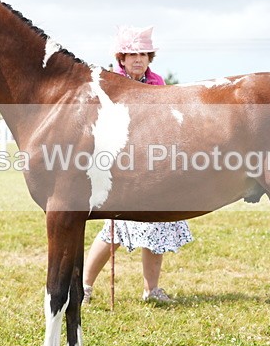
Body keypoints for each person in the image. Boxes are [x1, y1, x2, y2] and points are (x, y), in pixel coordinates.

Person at [82, 25, 193, 305]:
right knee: (114, 230)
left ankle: (151, 289)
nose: (137, 59)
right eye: (132, 54)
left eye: (142, 53)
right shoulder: (109, 82)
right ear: (121, 57)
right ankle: (83, 285)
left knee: (158, 226)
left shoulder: (157, 81)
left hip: (152, 164)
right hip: (119, 165)